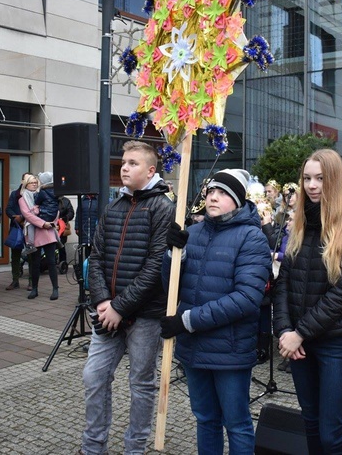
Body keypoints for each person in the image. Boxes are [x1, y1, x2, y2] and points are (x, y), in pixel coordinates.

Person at [160, 168, 271, 454]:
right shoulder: (193, 233)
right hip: (194, 348)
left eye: (222, 193)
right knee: (205, 419)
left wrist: (187, 321)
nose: (213, 197)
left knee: (236, 422)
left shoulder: (252, 238)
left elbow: (246, 298)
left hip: (229, 349)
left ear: (237, 200)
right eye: (211, 191)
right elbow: (170, 287)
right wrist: (174, 255)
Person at [273, 149, 342, 454]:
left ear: (334, 180)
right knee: (311, 426)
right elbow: (283, 284)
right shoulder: (300, 224)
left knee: (331, 436)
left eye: (320, 178)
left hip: (334, 343)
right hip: (298, 343)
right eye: (307, 178)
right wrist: (284, 330)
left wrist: (298, 333)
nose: (312, 185)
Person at [81, 141, 175, 455]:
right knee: (94, 377)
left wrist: (120, 306)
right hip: (107, 310)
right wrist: (102, 302)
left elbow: (155, 264)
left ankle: (135, 448)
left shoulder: (163, 207)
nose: (124, 167)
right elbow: (95, 258)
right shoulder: (114, 206)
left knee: (141, 384)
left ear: (151, 170)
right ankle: (93, 447)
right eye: (123, 162)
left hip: (145, 315)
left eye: (133, 163)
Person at [19, 174, 60, 301]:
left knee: (51, 262)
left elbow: (55, 209)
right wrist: (43, 223)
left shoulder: (45, 193)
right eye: (31, 183)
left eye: (36, 182)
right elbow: (28, 215)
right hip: (35, 232)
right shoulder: (22, 199)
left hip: (48, 231)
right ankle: (35, 288)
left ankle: (55, 289)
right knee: (35, 263)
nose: (34, 184)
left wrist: (53, 221)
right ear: (26, 184)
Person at [4, 172, 32, 290]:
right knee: (15, 255)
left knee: (31, 255)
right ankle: (15, 280)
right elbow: (8, 209)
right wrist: (17, 217)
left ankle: (32, 282)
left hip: (30, 227)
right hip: (16, 227)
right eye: (25, 180)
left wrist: (24, 218)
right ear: (22, 181)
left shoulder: (35, 194)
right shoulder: (15, 194)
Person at [74, 194, 98, 258]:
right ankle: (86, 265)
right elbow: (78, 214)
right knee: (87, 248)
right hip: (85, 229)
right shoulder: (82, 200)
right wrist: (77, 227)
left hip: (95, 228)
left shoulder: (98, 200)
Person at [57, 194, 75, 265]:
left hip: (62, 226)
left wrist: (65, 218)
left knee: (61, 245)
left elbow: (71, 212)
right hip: (50, 225)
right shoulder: (48, 198)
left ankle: (63, 263)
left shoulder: (65, 201)